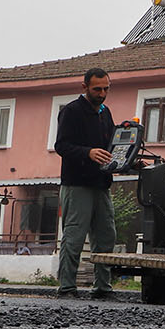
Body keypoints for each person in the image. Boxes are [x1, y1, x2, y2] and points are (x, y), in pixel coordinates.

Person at [53, 67, 119, 299]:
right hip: (77, 184)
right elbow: (61, 146)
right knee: (74, 237)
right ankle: (68, 287)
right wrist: (87, 153)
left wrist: (126, 160)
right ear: (85, 88)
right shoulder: (71, 111)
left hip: (101, 184)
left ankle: (102, 287)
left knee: (106, 235)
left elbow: (111, 146)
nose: (102, 93)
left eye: (106, 89)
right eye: (97, 89)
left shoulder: (105, 113)